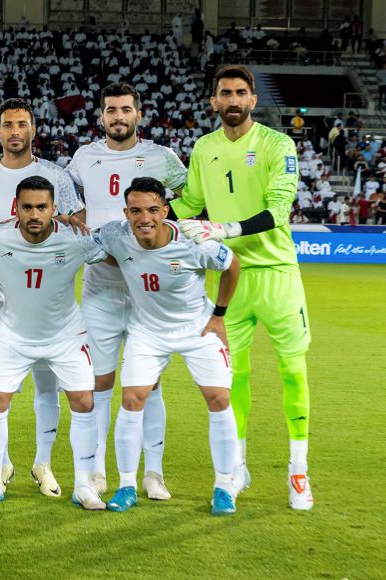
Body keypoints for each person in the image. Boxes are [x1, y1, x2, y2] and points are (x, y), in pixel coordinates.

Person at [171, 65, 314, 510]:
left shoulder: (277, 144)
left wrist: (223, 228)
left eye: (240, 93)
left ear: (253, 99)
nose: (232, 100)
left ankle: (298, 472)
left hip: (277, 275)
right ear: (213, 102)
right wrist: (147, 214)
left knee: (293, 371)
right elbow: (190, 204)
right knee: (234, 378)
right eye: (224, 94)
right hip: (231, 278)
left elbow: (278, 210)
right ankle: (237, 468)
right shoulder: (203, 147)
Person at [66, 82, 188, 499]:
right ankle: (97, 470)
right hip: (100, 285)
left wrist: (165, 241)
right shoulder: (83, 158)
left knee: (148, 383)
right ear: (101, 116)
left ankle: (152, 472)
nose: (118, 116)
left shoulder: (163, 158)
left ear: (139, 114)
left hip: (146, 290)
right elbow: (66, 201)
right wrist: (80, 218)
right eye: (110, 110)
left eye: (125, 110)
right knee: (99, 381)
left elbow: (189, 201)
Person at [95, 177, 241, 515]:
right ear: (126, 212)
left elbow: (232, 265)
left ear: (164, 210)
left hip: (198, 328)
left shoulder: (193, 241)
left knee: (218, 398)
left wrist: (219, 315)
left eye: (151, 210)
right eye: (135, 211)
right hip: (147, 330)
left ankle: (224, 487)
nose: (144, 218)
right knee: (132, 399)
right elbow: (92, 245)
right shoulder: (115, 235)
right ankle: (127, 485)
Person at [0, 97, 84, 497]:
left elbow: (76, 225)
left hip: (47, 297)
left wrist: (65, 221)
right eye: (7, 124)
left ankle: (43, 462)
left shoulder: (56, 176)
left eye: (22, 124)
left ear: (34, 129)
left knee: (47, 381)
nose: (15, 131)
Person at [0, 176, 106, 510]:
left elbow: (116, 247)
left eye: (42, 207)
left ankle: (85, 485)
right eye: (27, 207)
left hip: (66, 336)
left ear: (54, 208)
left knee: (84, 403)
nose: (34, 214)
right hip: (13, 335)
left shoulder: (77, 239)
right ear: (16, 208)